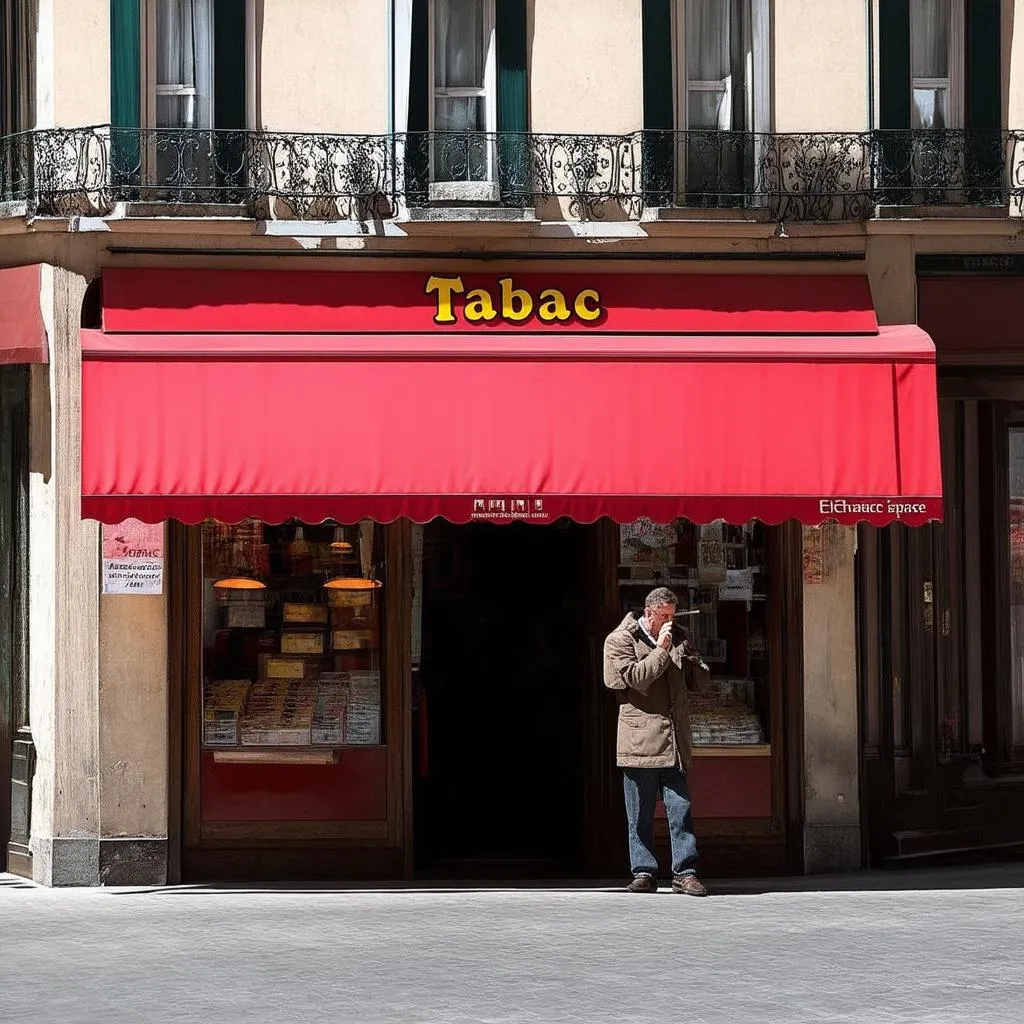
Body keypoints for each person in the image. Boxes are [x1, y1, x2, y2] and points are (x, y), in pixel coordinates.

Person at [603, 586, 709, 895]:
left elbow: (699, 682)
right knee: (640, 812)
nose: (670, 622)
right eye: (665, 616)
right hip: (640, 740)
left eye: (673, 617)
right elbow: (636, 680)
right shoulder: (621, 640)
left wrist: (692, 661)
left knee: (680, 808)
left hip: (673, 740)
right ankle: (644, 871)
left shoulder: (678, 636)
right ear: (649, 613)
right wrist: (662, 649)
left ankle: (685, 872)